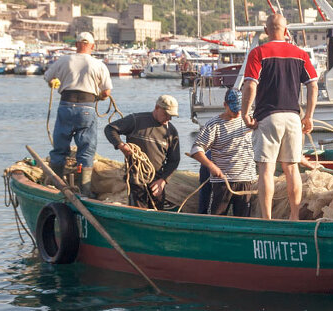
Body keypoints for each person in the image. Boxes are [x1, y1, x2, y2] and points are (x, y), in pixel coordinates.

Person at [240, 13, 318, 220]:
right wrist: (308, 115)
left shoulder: (258, 53)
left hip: (268, 117)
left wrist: (245, 113)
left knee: (266, 169)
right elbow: (313, 85)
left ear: (266, 31)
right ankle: (294, 217)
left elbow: (250, 85)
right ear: (286, 30)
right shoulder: (300, 54)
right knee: (292, 169)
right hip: (293, 117)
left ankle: (267, 219)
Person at [42, 31, 113, 194]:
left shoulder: (64, 60)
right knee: (86, 149)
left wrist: (54, 83)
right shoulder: (98, 64)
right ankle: (85, 191)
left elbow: (48, 78)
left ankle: (57, 186)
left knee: (60, 147)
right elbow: (107, 92)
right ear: (92, 46)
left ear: (76, 45)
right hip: (87, 108)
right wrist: (100, 97)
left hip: (66, 105)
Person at [104, 94, 181, 210]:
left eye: (171, 116)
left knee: (158, 213)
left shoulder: (171, 132)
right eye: (166, 114)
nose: (168, 119)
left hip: (157, 181)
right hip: (136, 179)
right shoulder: (136, 120)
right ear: (157, 108)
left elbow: (174, 160)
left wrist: (163, 180)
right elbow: (110, 129)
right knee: (138, 211)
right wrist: (121, 145)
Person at [189, 88, 257, 216]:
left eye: (239, 108)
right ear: (225, 105)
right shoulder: (214, 124)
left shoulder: (249, 121)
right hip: (222, 182)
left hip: (246, 180)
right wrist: (211, 166)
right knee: (217, 218)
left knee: (244, 220)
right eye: (233, 109)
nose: (237, 112)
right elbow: (196, 149)